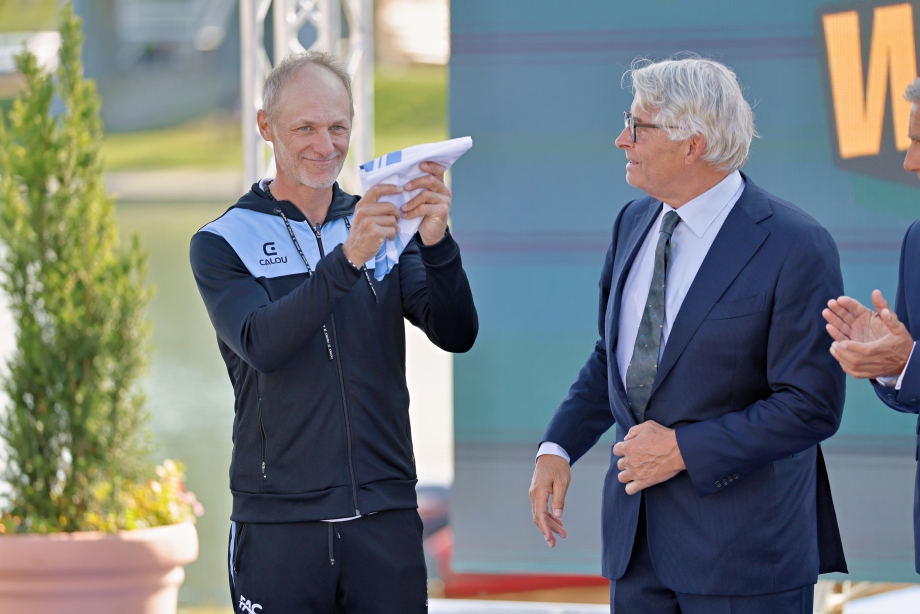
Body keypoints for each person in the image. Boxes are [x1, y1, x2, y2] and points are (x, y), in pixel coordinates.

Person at [528, 57, 848, 613]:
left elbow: (811, 406)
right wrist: (557, 447)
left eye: (638, 127)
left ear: (692, 144)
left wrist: (682, 450)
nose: (620, 140)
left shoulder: (796, 244)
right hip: (637, 554)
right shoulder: (632, 222)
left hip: (747, 562)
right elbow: (616, 359)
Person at [189, 51, 478, 613]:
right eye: (305, 128)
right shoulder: (224, 241)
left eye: (338, 127)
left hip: (386, 515)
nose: (325, 145)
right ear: (266, 126)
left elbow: (455, 332)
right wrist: (348, 260)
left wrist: (438, 244)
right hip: (281, 523)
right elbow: (262, 344)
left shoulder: (382, 221)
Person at [823, 77, 920, 576]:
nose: (910, 162)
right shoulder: (917, 240)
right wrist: (888, 364)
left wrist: (912, 363)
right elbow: (913, 377)